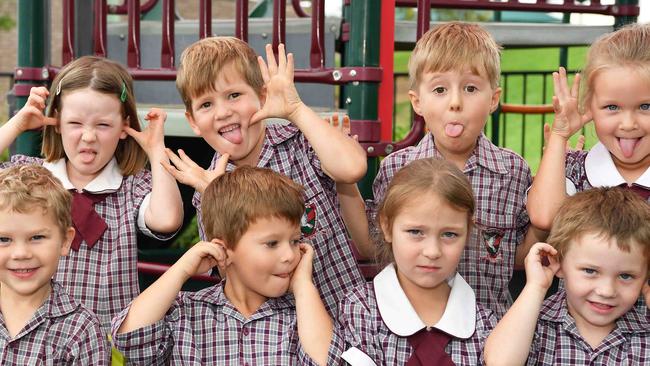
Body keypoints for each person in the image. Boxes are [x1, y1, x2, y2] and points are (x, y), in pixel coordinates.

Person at [162, 36, 366, 314]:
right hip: (274, 338)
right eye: (206, 105)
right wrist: (218, 200)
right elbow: (229, 279)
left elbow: (352, 169)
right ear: (192, 121)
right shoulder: (208, 187)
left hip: (341, 313)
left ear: (261, 96)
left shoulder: (300, 143)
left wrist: (296, 109)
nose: (223, 112)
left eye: (234, 95)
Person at [357, 22, 536, 318]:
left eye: (470, 88)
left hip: (489, 332)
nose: (455, 103)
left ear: (493, 98)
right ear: (418, 102)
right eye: (440, 89)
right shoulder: (397, 169)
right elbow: (376, 245)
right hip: (411, 329)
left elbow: (517, 255)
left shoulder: (513, 172)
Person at [0, 56, 184, 332]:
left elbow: (167, 220)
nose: (88, 136)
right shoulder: (30, 177)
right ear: (57, 123)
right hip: (33, 341)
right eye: (75, 123)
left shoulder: (132, 187)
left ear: (124, 127)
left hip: (107, 342)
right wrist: (17, 123)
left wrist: (156, 149)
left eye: (103, 125)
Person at [111, 166, 338, 365]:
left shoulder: (304, 315)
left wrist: (303, 287)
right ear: (225, 249)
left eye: (295, 241)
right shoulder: (184, 313)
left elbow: (328, 361)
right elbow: (129, 338)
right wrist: (181, 269)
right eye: (272, 243)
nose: (289, 255)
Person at [328, 158, 496, 365]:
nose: (432, 252)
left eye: (450, 234)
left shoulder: (484, 324)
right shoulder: (360, 309)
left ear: (468, 233)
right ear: (387, 227)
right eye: (415, 232)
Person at [485, 187, 650, 365]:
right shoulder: (532, 323)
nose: (607, 291)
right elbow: (498, 362)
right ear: (558, 262)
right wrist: (535, 287)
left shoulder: (645, 334)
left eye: (625, 276)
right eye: (590, 271)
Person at [528, 23, 650, 230]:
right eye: (612, 107)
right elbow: (545, 216)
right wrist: (559, 136)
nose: (628, 124)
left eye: (645, 106)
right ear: (589, 106)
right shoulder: (575, 169)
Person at [0, 165, 108, 364]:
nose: (21, 253)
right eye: (4, 239)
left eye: (37, 237)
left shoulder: (81, 330)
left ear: (65, 241)